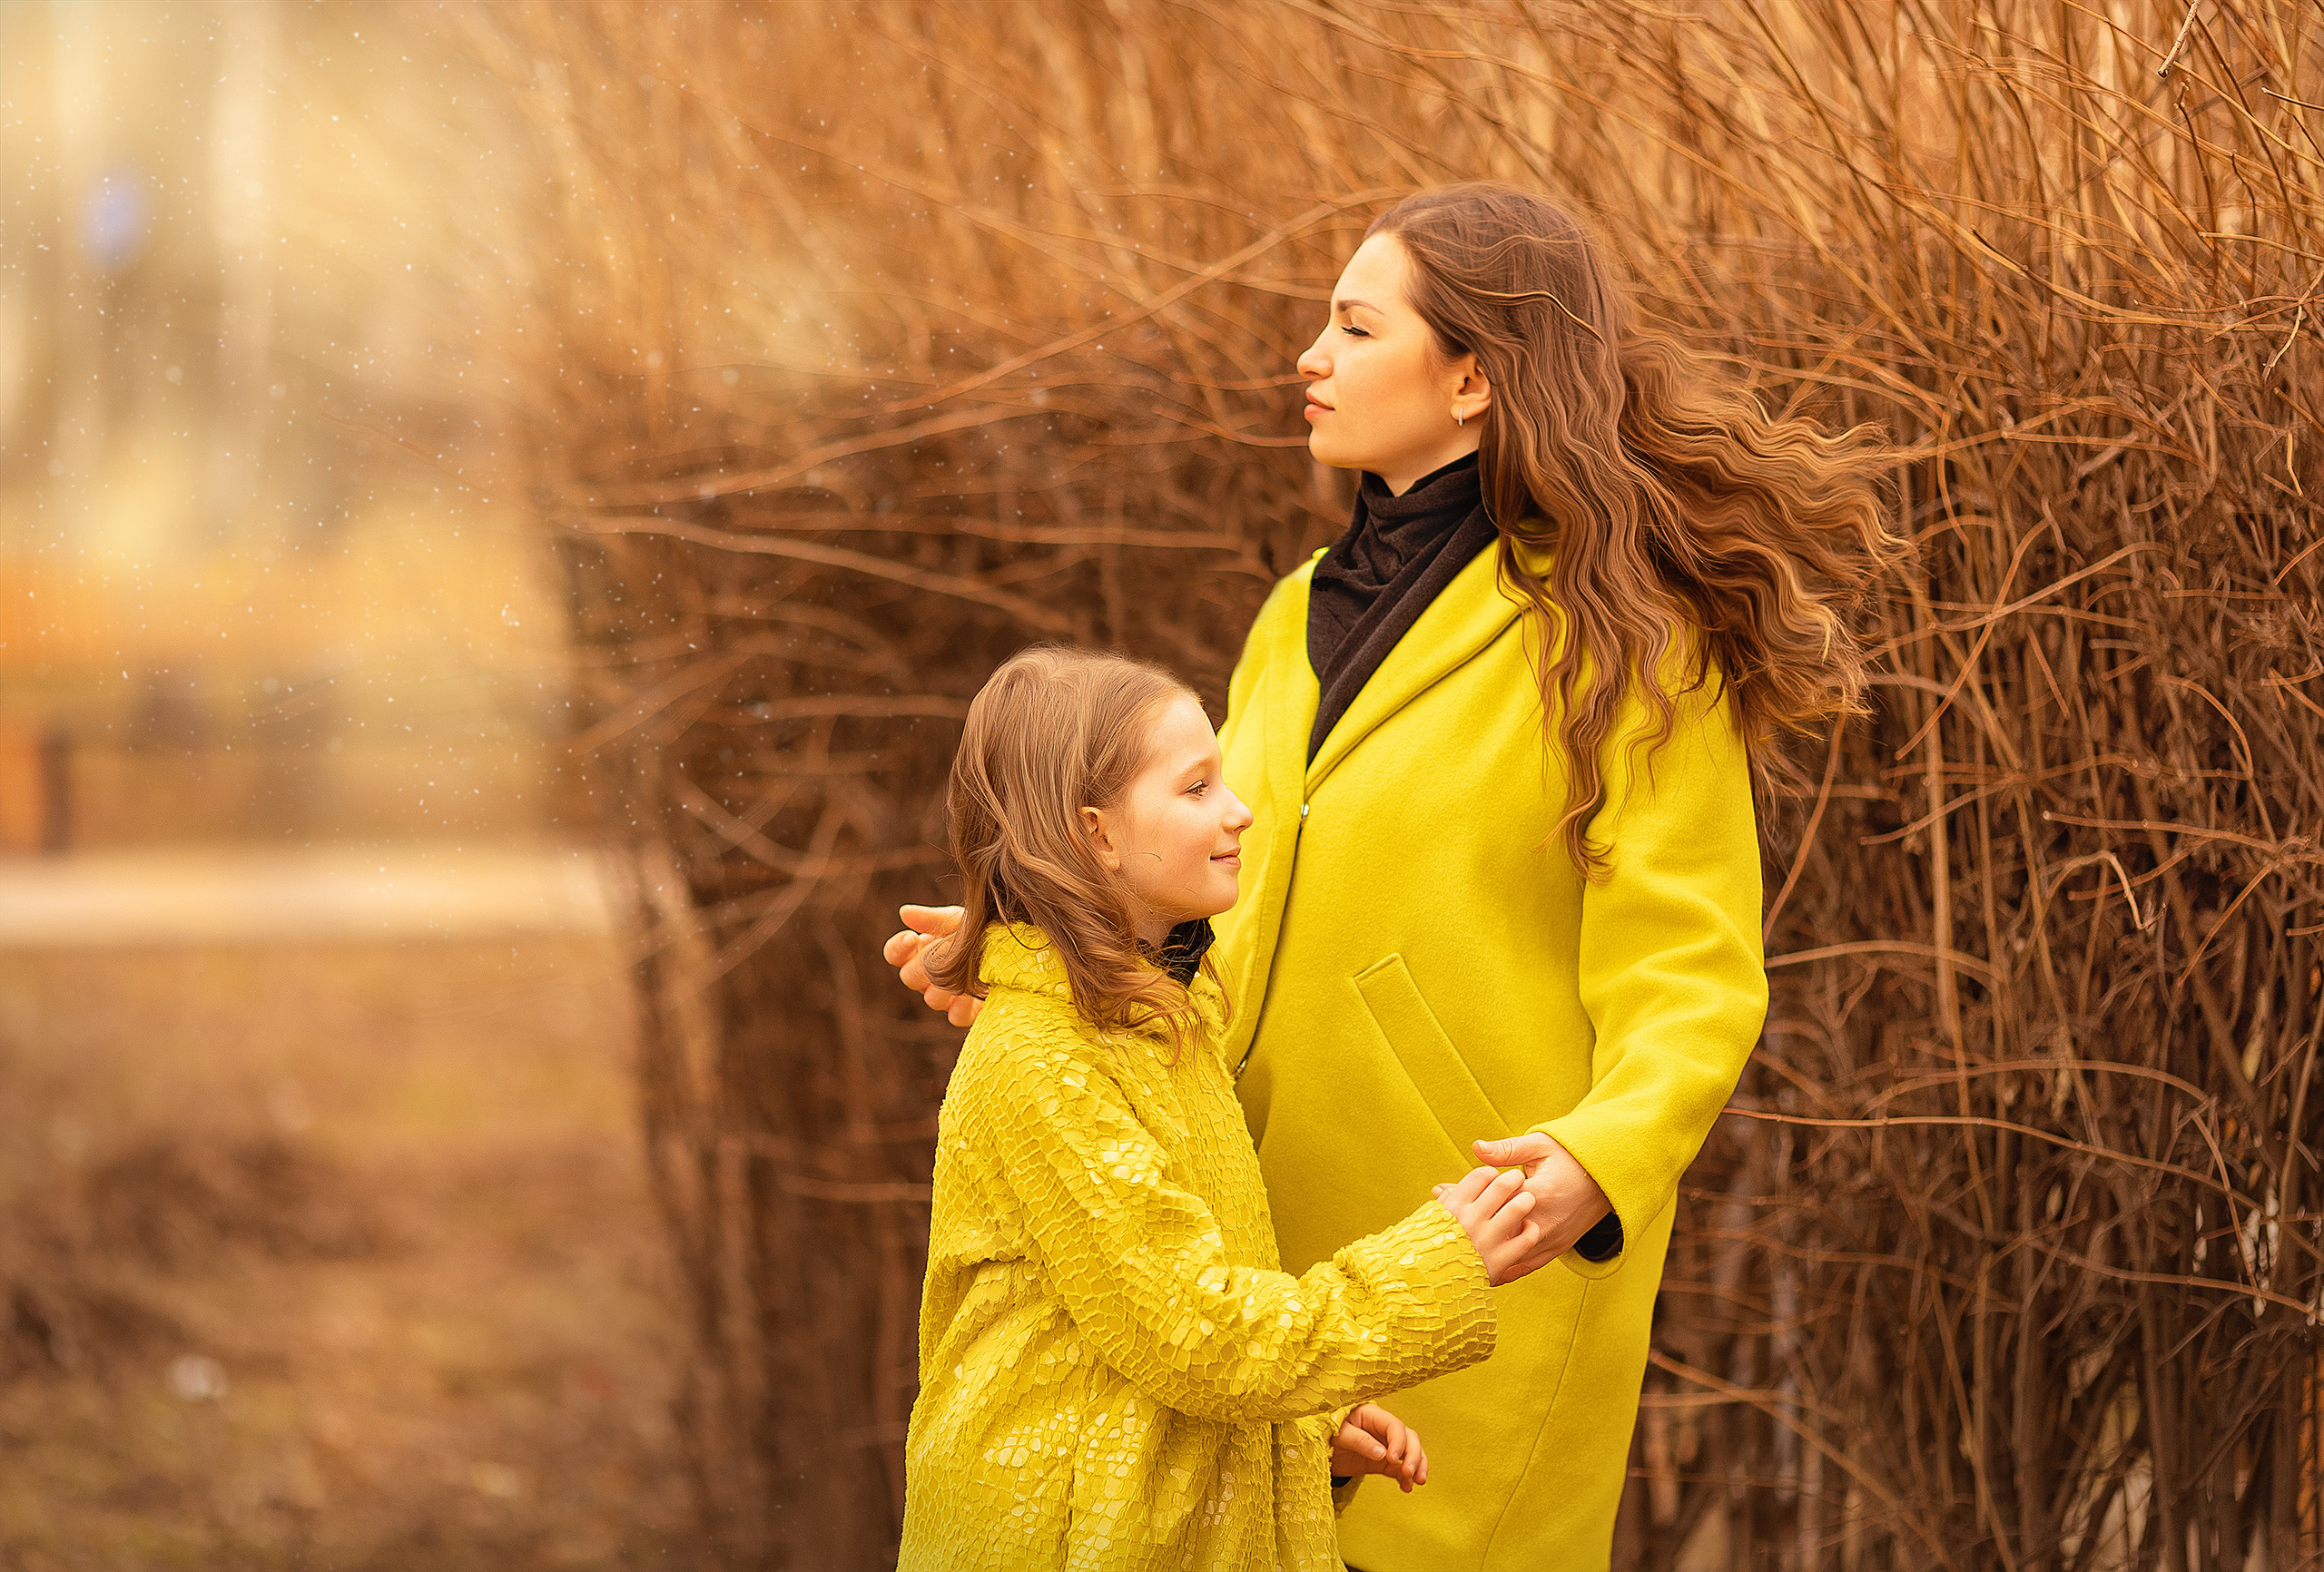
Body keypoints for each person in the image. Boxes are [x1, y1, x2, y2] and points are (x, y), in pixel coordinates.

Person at [889, 182, 1897, 1569]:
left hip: (1488, 1250)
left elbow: (1696, 979)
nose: (1310, 356)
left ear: (1474, 376)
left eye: (1355, 328)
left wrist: (1599, 1168)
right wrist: (1064, 933)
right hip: (1258, 1265)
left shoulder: (1625, 643)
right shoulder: (1296, 612)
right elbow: (1229, 894)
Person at [898, 645, 1544, 1572]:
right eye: (1196, 788)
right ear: (1097, 836)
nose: (1238, 811)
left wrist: (1298, 1438)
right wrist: (1430, 1268)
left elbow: (1143, 1340)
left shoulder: (1169, 1022)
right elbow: (1198, 1337)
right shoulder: (1041, 1062)